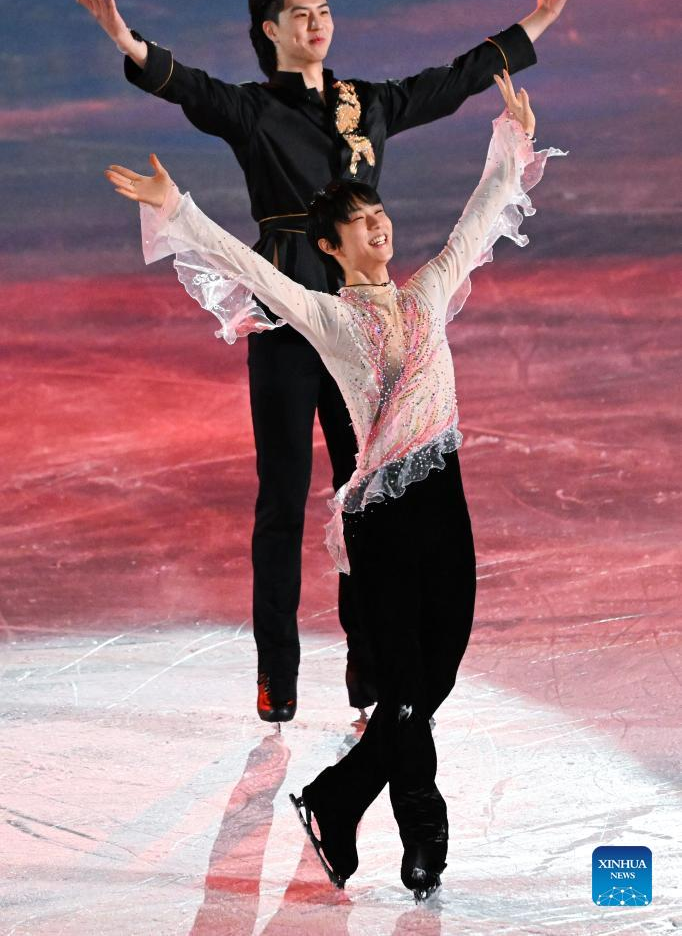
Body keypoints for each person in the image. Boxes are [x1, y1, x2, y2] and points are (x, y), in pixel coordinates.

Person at [79, 0, 595, 721]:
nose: (317, 23)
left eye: (323, 10)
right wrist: (130, 41)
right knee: (283, 498)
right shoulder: (255, 110)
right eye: (301, 14)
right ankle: (277, 676)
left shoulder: (369, 102)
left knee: (371, 497)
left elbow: (450, 81)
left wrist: (539, 22)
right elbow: (192, 90)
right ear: (271, 29)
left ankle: (372, 663)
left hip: (365, 328)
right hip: (291, 318)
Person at [104, 69, 564, 900]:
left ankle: (335, 798)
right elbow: (248, 265)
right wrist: (179, 210)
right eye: (359, 224)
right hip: (383, 521)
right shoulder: (326, 315)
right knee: (408, 691)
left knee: (438, 675)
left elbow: (478, 218)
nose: (377, 226)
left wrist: (512, 142)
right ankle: (423, 833)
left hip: (445, 505)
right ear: (332, 246)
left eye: (378, 215)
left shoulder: (427, 292)